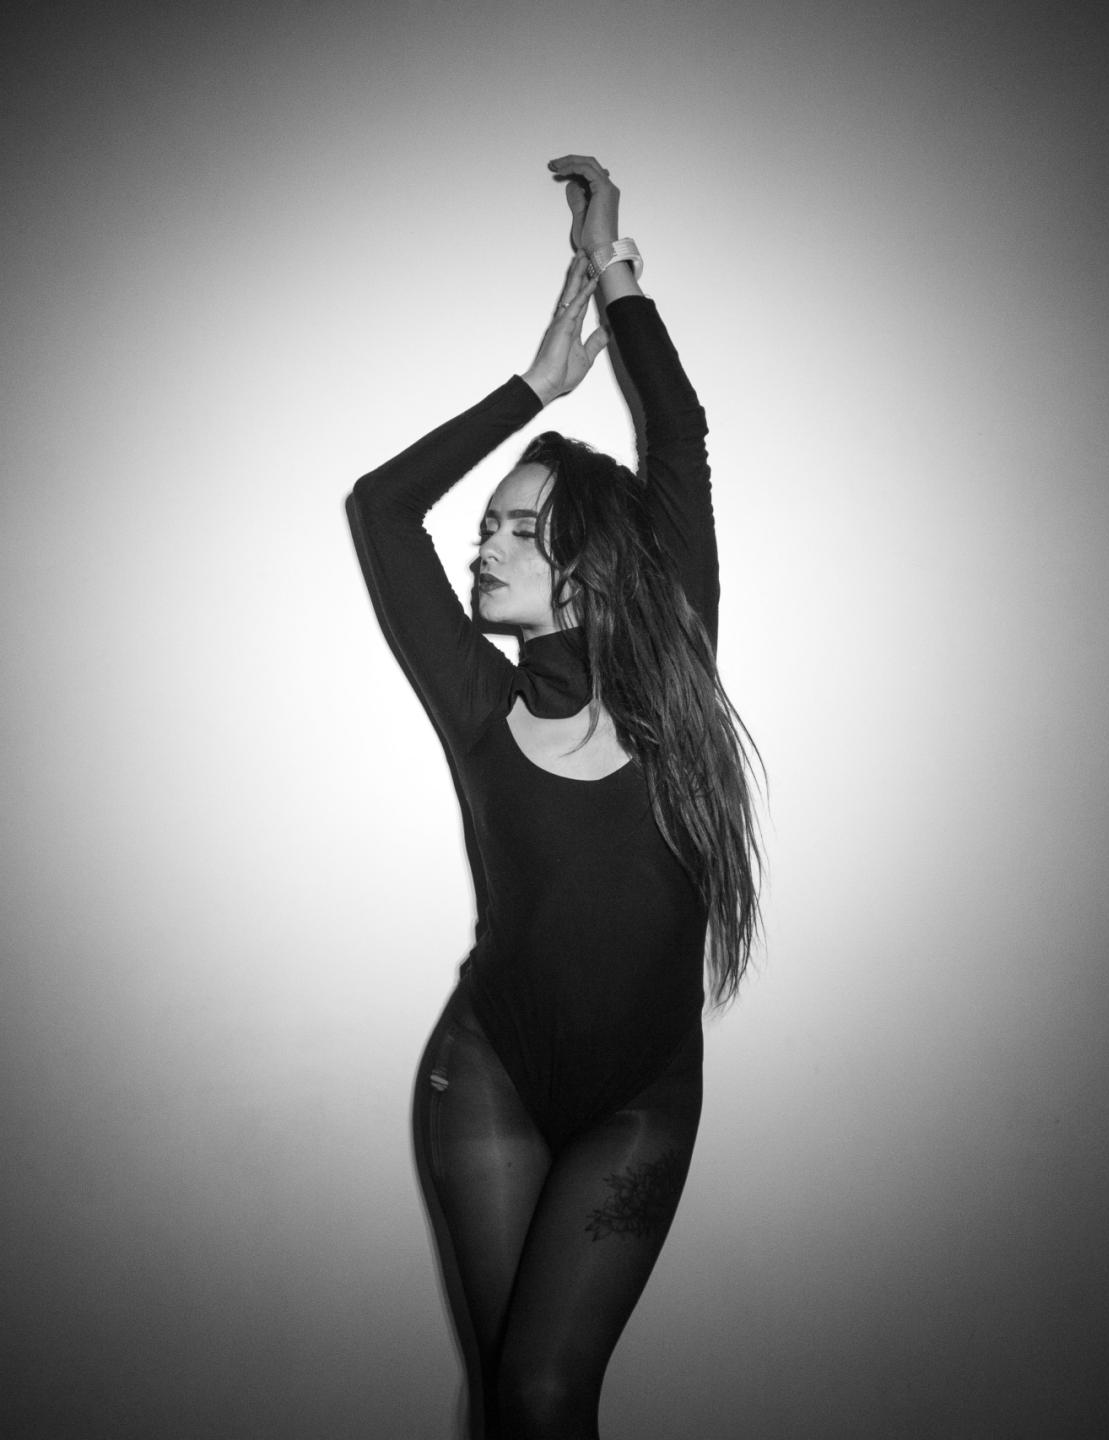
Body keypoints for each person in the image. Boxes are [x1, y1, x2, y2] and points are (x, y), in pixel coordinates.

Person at [346, 155, 763, 1438]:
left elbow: (678, 435)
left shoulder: (675, 662)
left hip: (640, 1100)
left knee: (543, 1392)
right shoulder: (482, 704)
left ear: (589, 556)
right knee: (514, 1405)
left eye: (519, 528)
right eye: (489, 526)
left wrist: (614, 272)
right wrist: (533, 385)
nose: (485, 543)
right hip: (489, 1073)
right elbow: (383, 509)